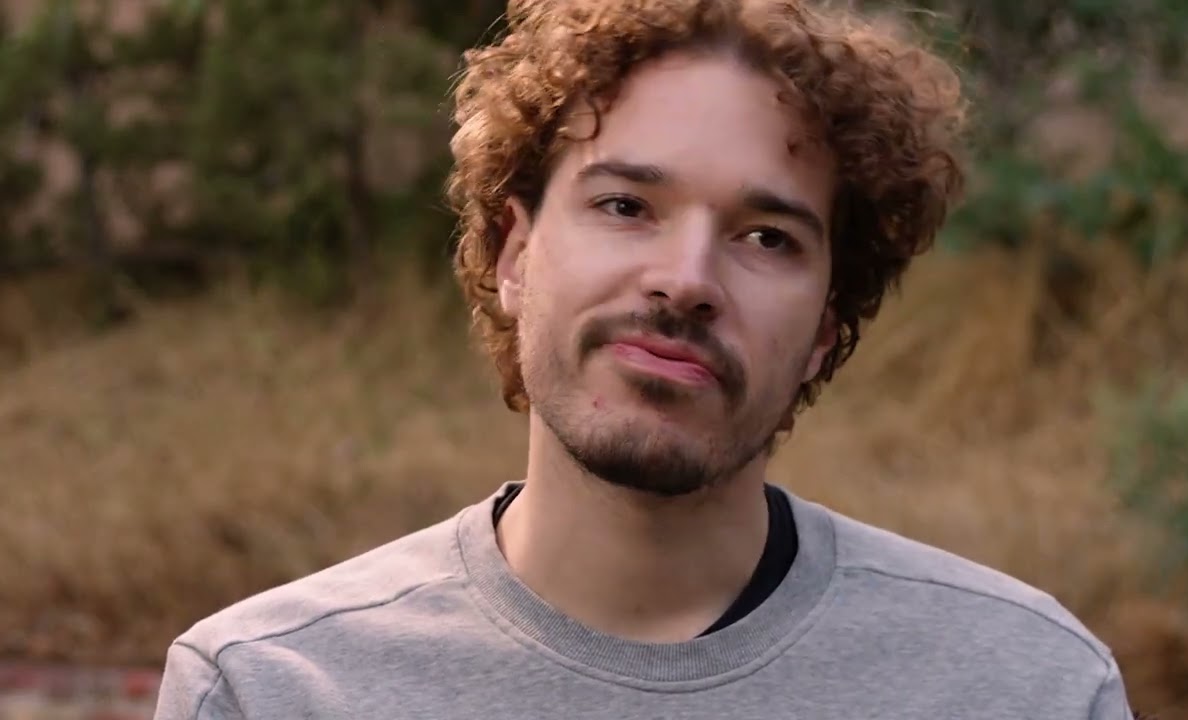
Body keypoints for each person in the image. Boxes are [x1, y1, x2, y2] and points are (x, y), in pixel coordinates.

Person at [153, 0, 1136, 717]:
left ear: (823, 333)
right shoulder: (271, 688)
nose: (686, 280)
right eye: (625, 205)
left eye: (766, 237)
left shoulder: (1027, 684)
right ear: (513, 255)